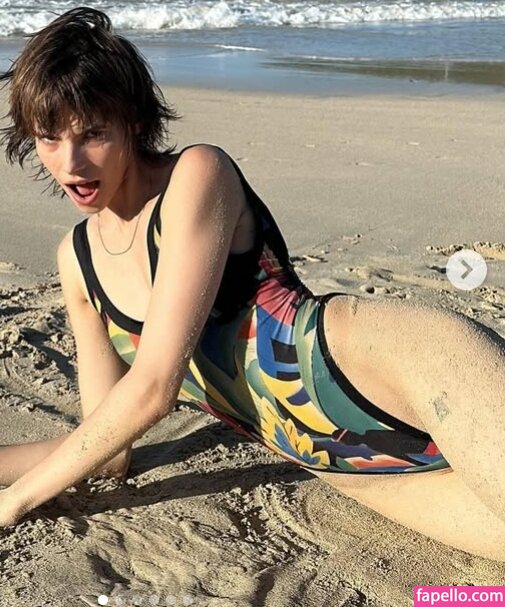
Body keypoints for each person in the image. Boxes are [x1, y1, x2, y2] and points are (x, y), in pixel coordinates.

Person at [0, 7, 504, 562]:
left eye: (93, 133)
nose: (71, 162)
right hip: (351, 466)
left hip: (412, 366)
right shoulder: (77, 261)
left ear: (134, 122)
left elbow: (153, 388)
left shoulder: (197, 175)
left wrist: (14, 502)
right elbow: (108, 445)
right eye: (49, 138)